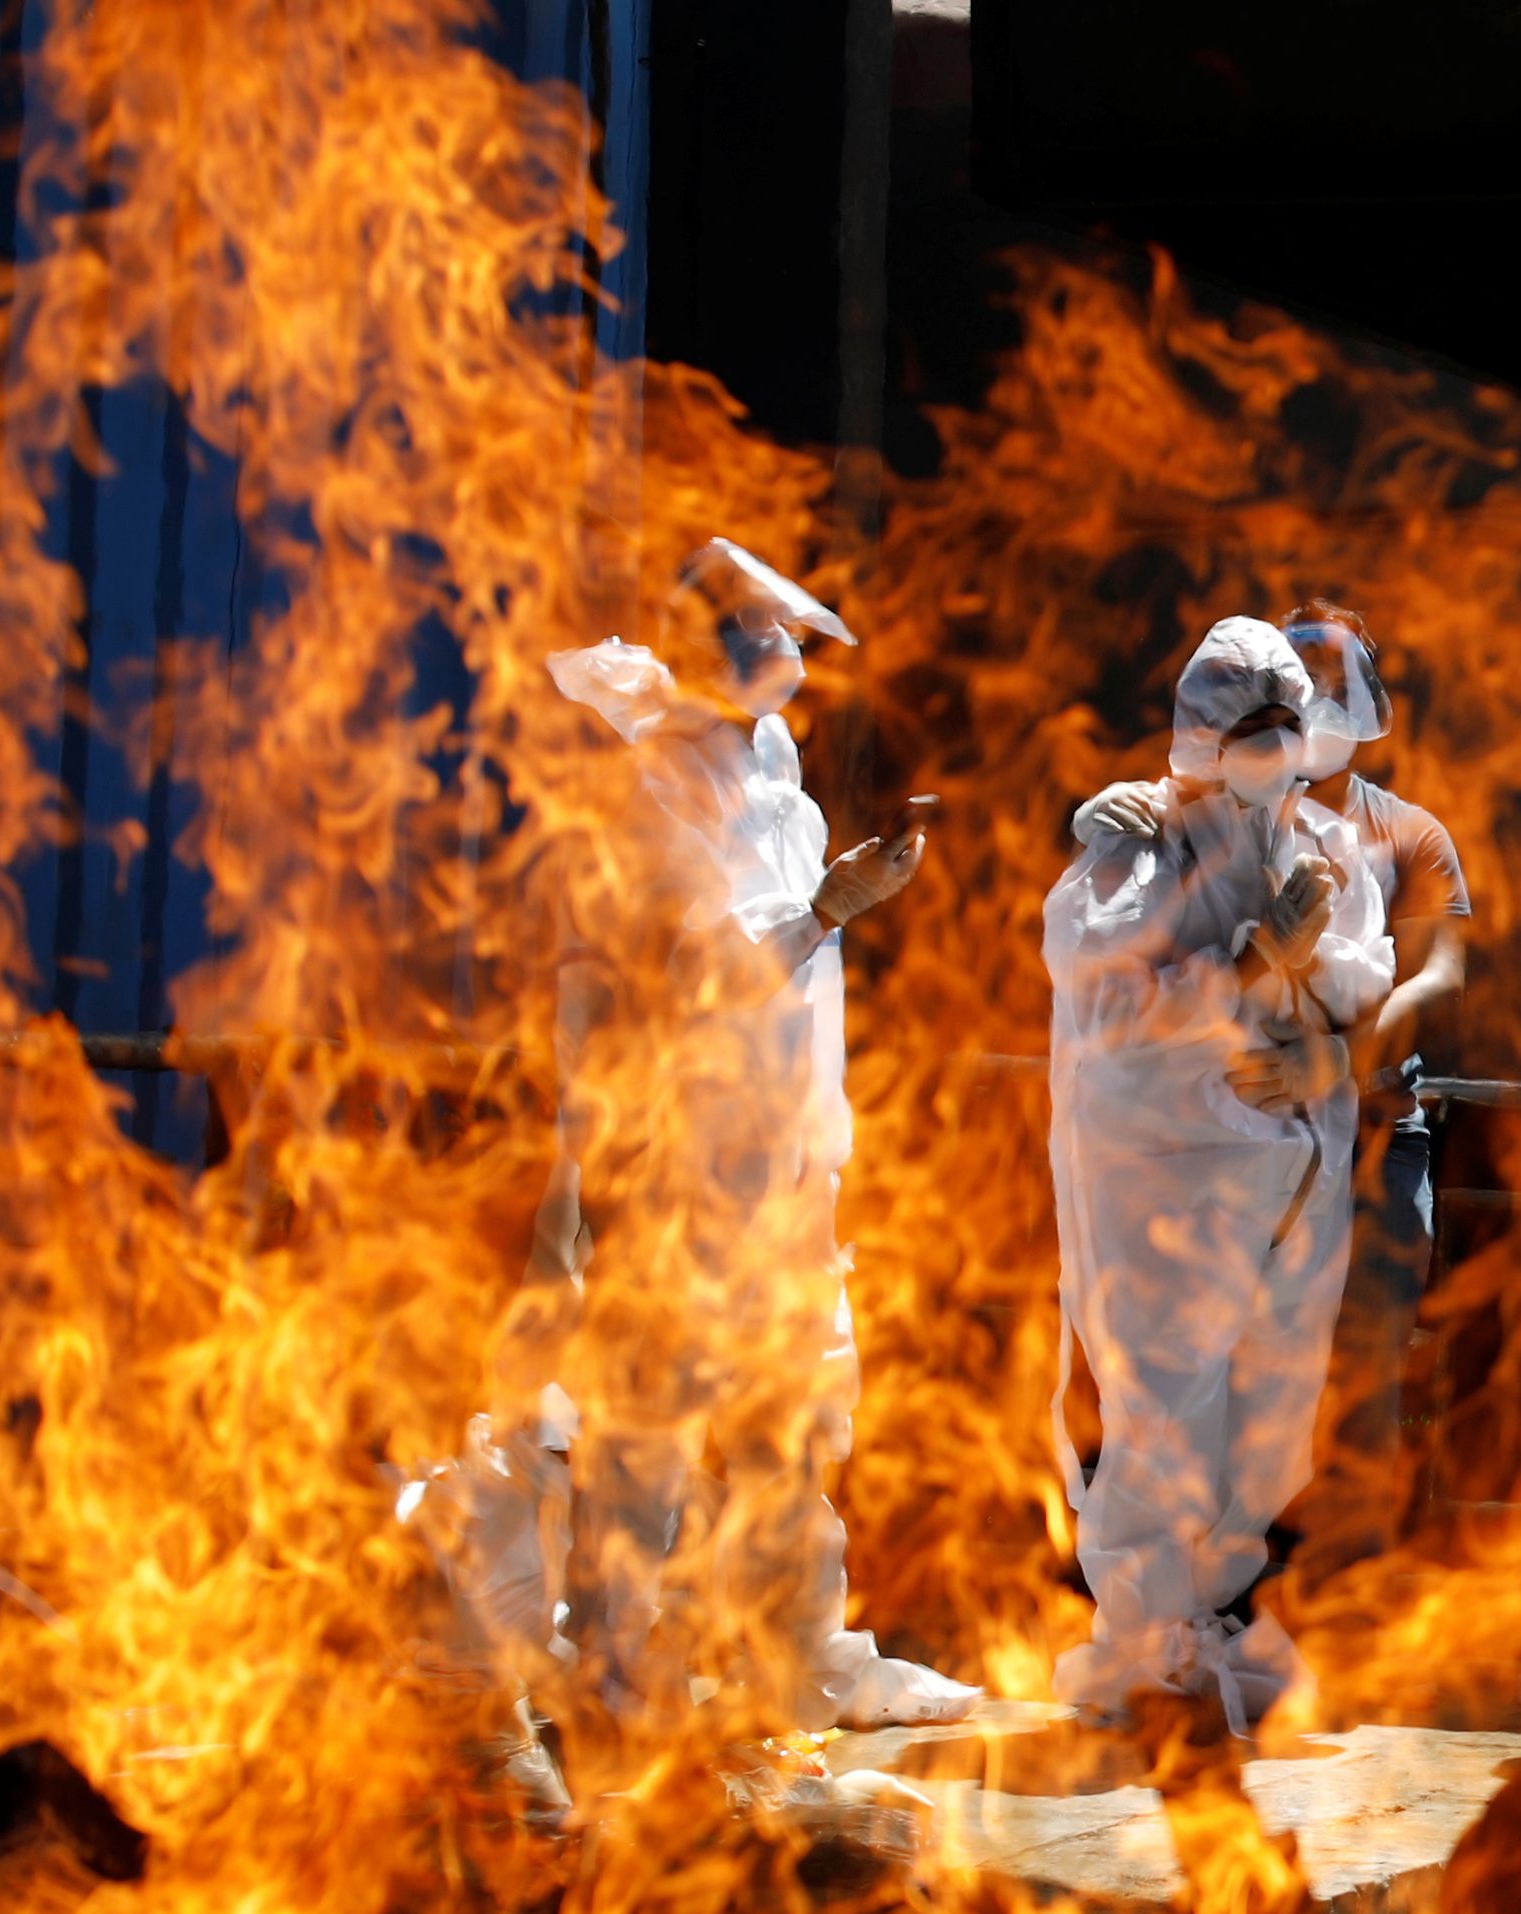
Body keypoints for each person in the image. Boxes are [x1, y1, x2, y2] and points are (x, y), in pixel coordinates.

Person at [541, 537, 979, 1735]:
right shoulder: (659, 787)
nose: (786, 649)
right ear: (709, 647)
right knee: (649, 1422)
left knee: (793, 1415)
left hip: (785, 1160)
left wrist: (830, 905)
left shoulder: (776, 776)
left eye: (787, 629)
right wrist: (827, 906)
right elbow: (698, 974)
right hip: (683, 1160)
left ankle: (802, 1659)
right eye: (763, 629)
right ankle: (613, 1675)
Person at [1071, 603, 1472, 1577]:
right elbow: (1131, 978)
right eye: (1295, 681)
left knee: (1357, 1370)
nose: (1312, 702)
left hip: (1371, 1136)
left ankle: (1341, 1582)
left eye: (1334, 681)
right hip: (1222, 1145)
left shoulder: (1402, 833)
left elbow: (1437, 976)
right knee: (1197, 1375)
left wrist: (1337, 1063)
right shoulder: (1187, 819)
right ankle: (1213, 1593)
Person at [1045, 617, 1395, 1728]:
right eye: (1252, 723)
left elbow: (1365, 982)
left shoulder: (1322, 847)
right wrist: (1245, 968)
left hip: (1291, 1175)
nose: (1276, 742)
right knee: (1163, 1412)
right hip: (1165, 1174)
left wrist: (1319, 1024)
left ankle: (1214, 1618)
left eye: (1289, 721)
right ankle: (1145, 1640)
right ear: (1200, 730)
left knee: (1269, 1418)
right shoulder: (1136, 844)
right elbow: (1112, 1013)